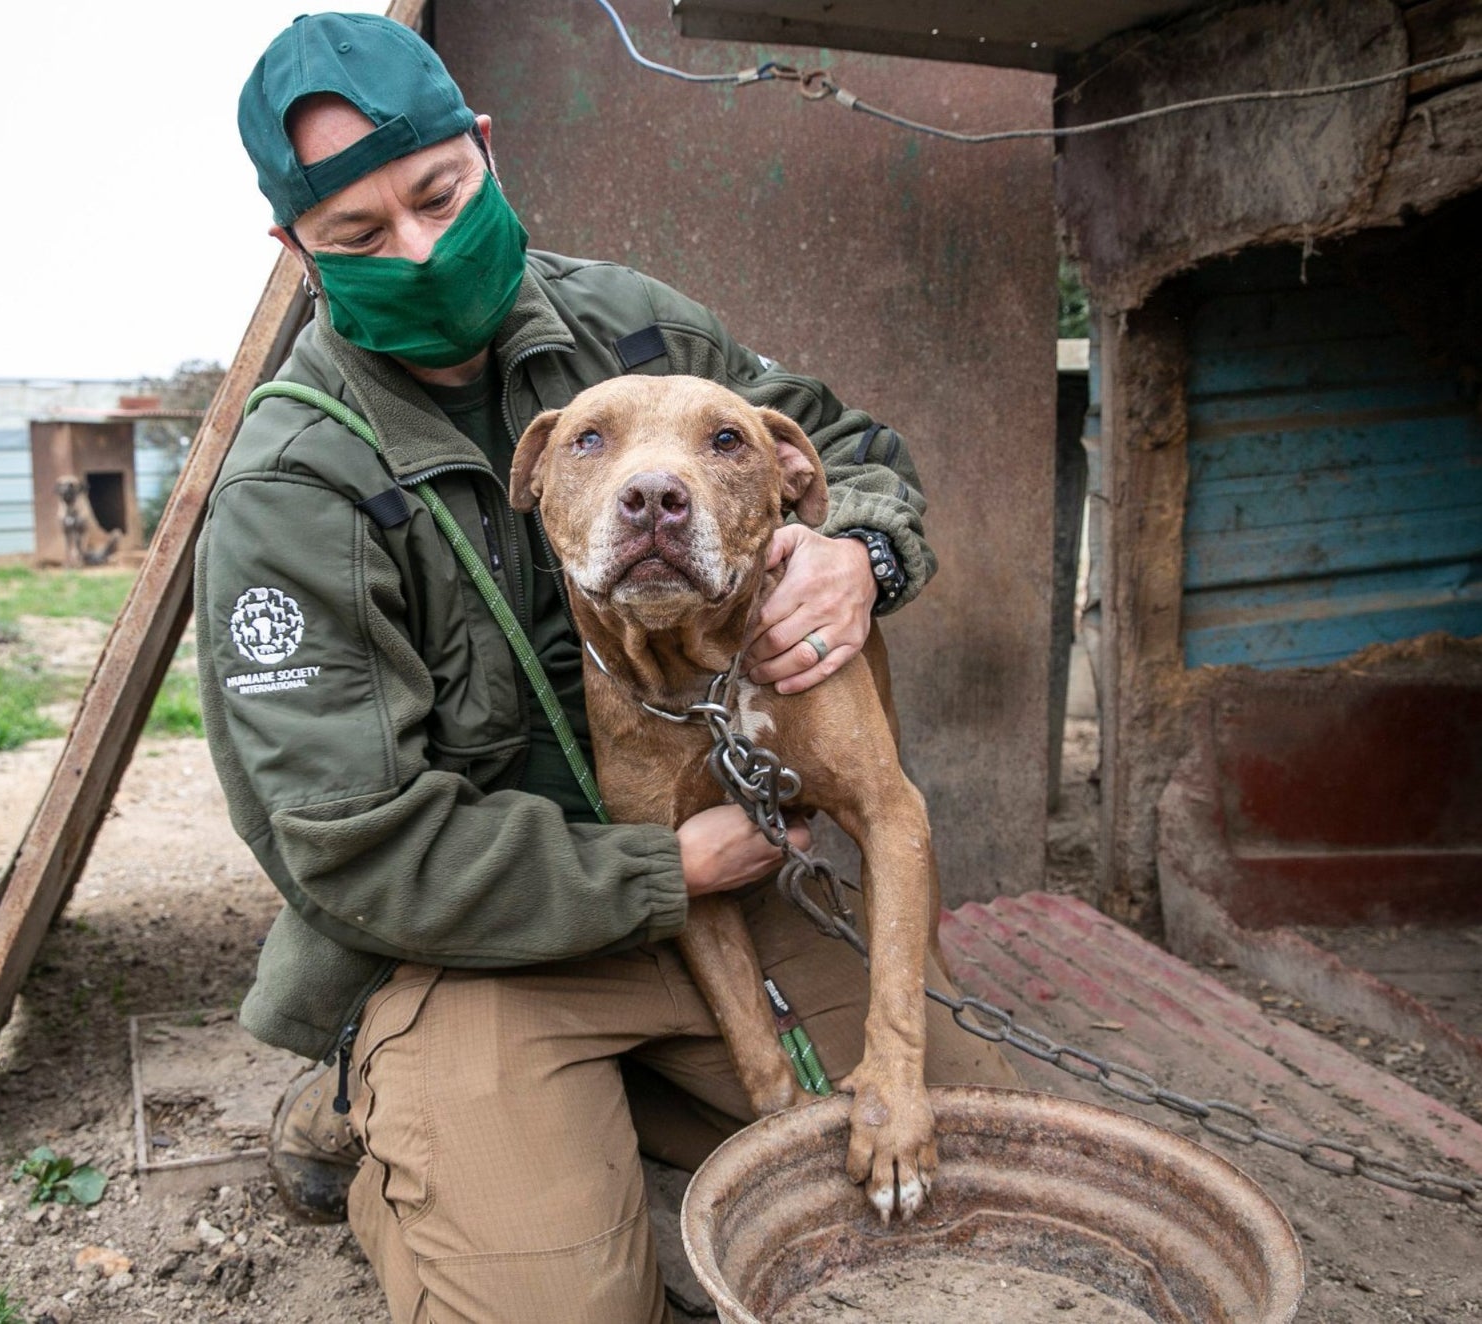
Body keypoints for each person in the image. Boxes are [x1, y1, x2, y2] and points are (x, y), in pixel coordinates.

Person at [199, 14, 1018, 1322]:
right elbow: (353, 847)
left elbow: (841, 439)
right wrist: (669, 866)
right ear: (294, 247)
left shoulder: (627, 328)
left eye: (437, 198)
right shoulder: (296, 487)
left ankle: (613, 1108)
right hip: (476, 954)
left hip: (720, 915)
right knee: (567, 1306)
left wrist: (857, 553)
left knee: (976, 1159)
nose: (416, 251)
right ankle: (385, 1131)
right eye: (357, 236)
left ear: (485, 152)